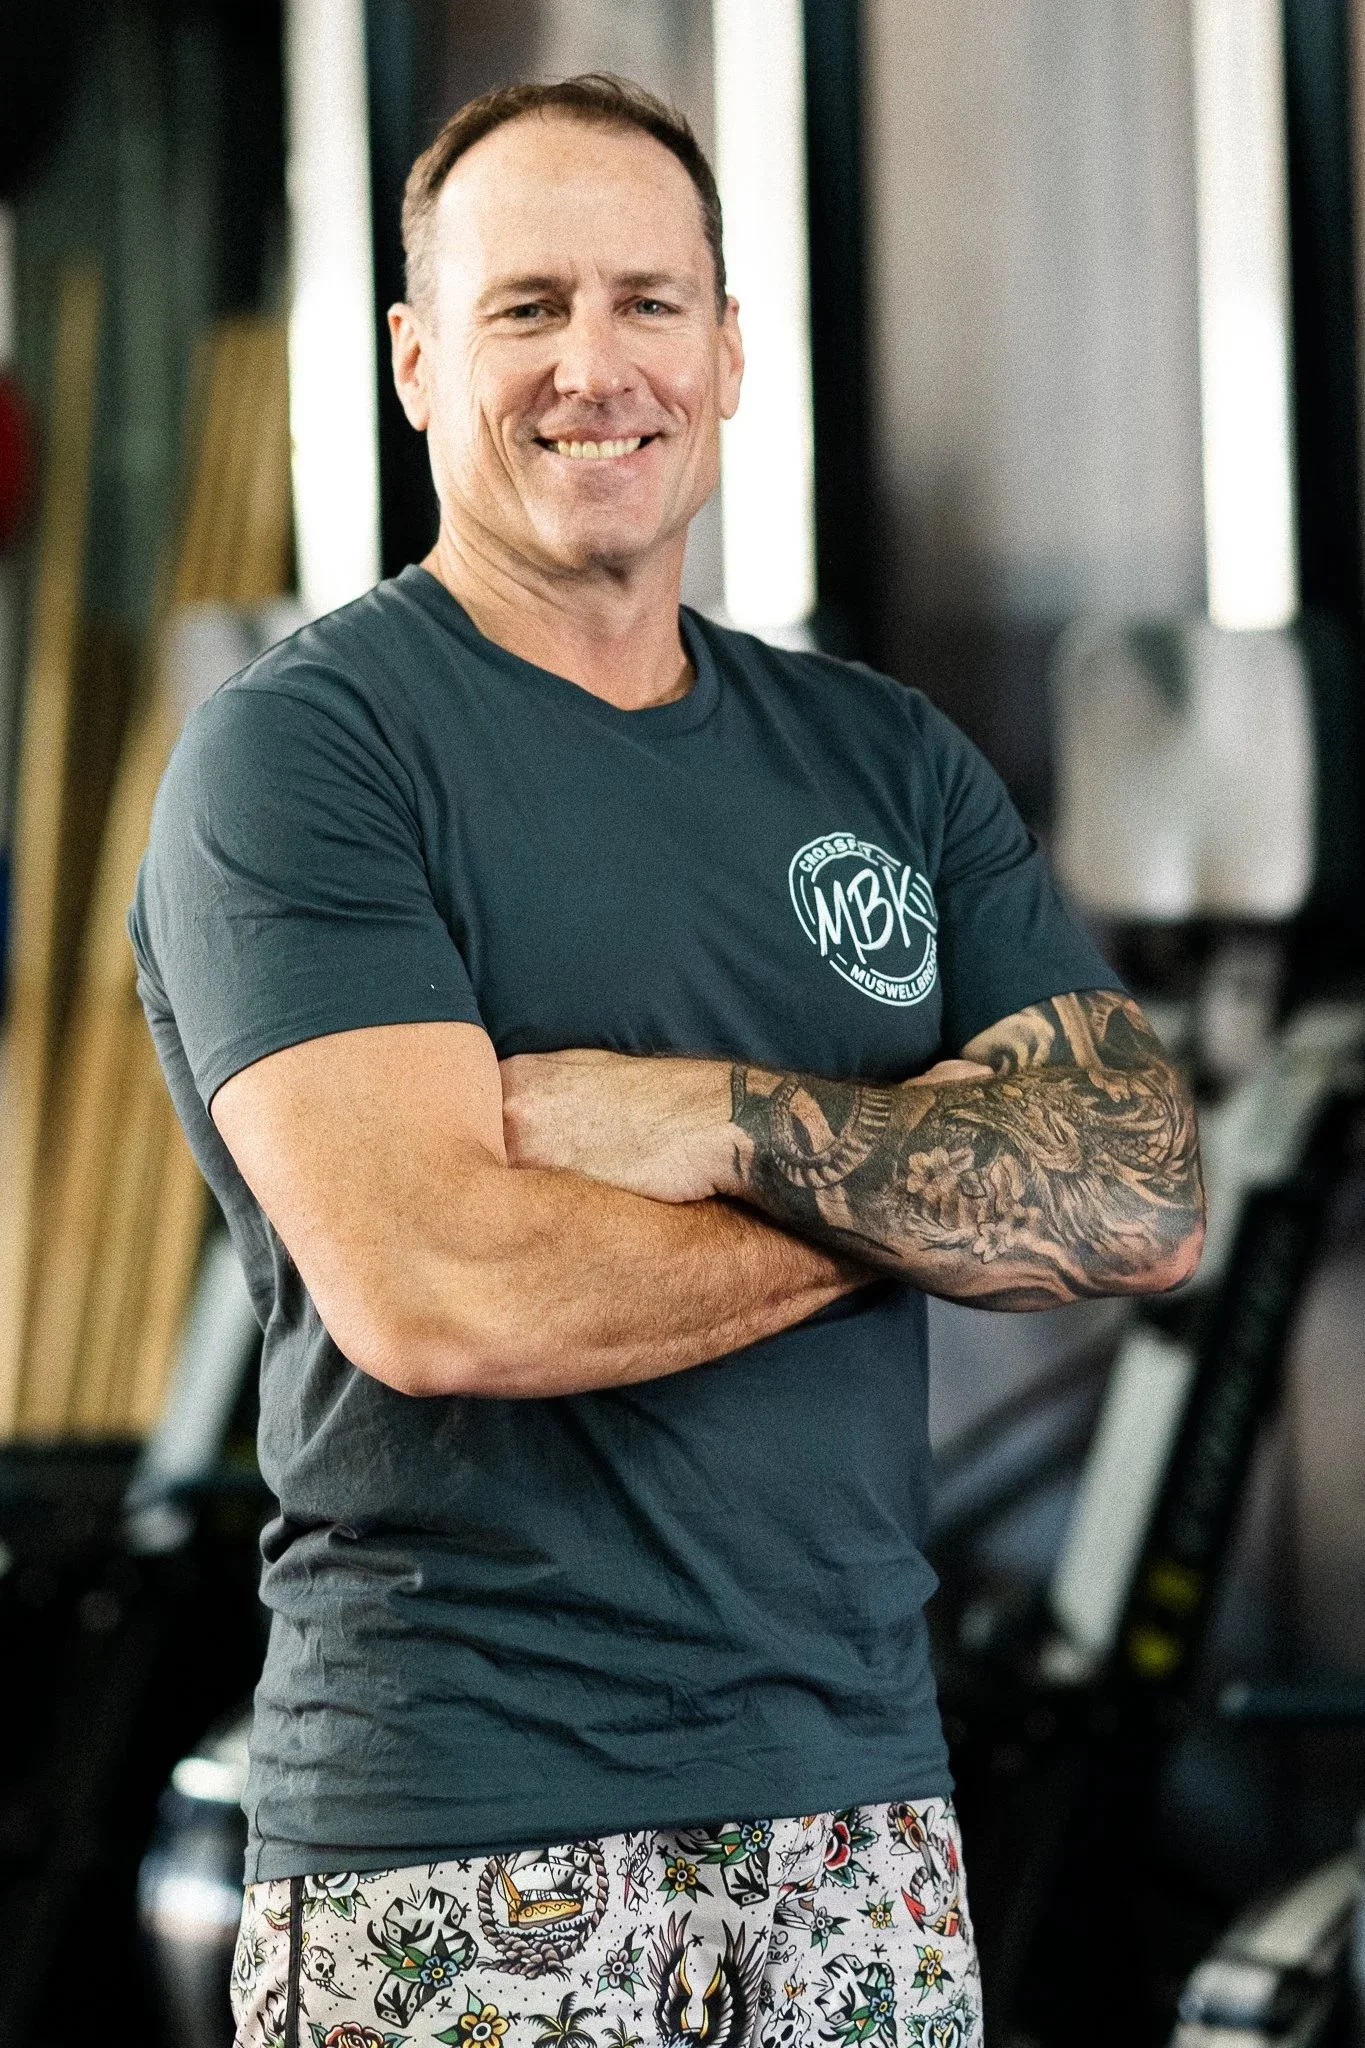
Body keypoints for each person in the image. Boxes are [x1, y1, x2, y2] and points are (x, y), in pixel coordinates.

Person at [131, 74, 1204, 2048]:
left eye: (646, 303)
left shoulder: (881, 758)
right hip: (458, 1833)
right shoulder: (309, 760)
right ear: (416, 359)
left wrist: (704, 1120)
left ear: (727, 354)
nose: (594, 366)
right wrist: (924, 1185)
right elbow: (447, 1290)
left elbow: (1135, 1191)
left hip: (863, 1815)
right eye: (527, 306)